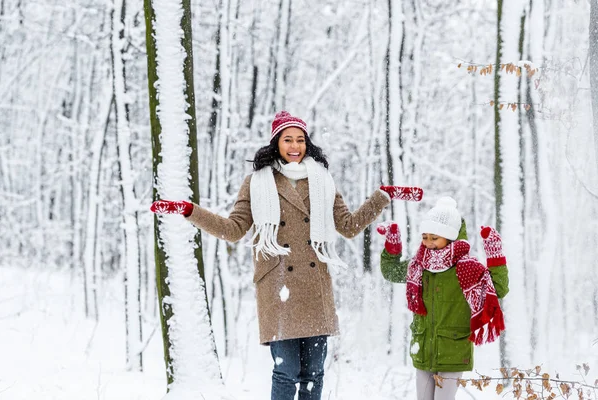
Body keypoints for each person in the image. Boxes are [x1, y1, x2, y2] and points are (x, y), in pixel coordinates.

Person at [150, 111, 413, 400]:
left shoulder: (323, 180)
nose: (295, 146)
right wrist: (191, 211)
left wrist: (382, 196)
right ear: (276, 142)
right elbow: (234, 229)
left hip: (315, 288)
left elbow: (348, 226)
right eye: (288, 139)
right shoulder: (257, 182)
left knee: (314, 372)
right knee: (285, 371)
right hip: (279, 287)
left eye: (300, 140)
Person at [377, 196, 509, 400]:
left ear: (451, 237)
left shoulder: (466, 268)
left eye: (435, 237)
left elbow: (498, 288)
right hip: (423, 349)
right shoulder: (419, 265)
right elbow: (391, 272)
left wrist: (495, 256)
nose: (429, 243)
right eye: (425, 236)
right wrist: (392, 247)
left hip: (453, 350)